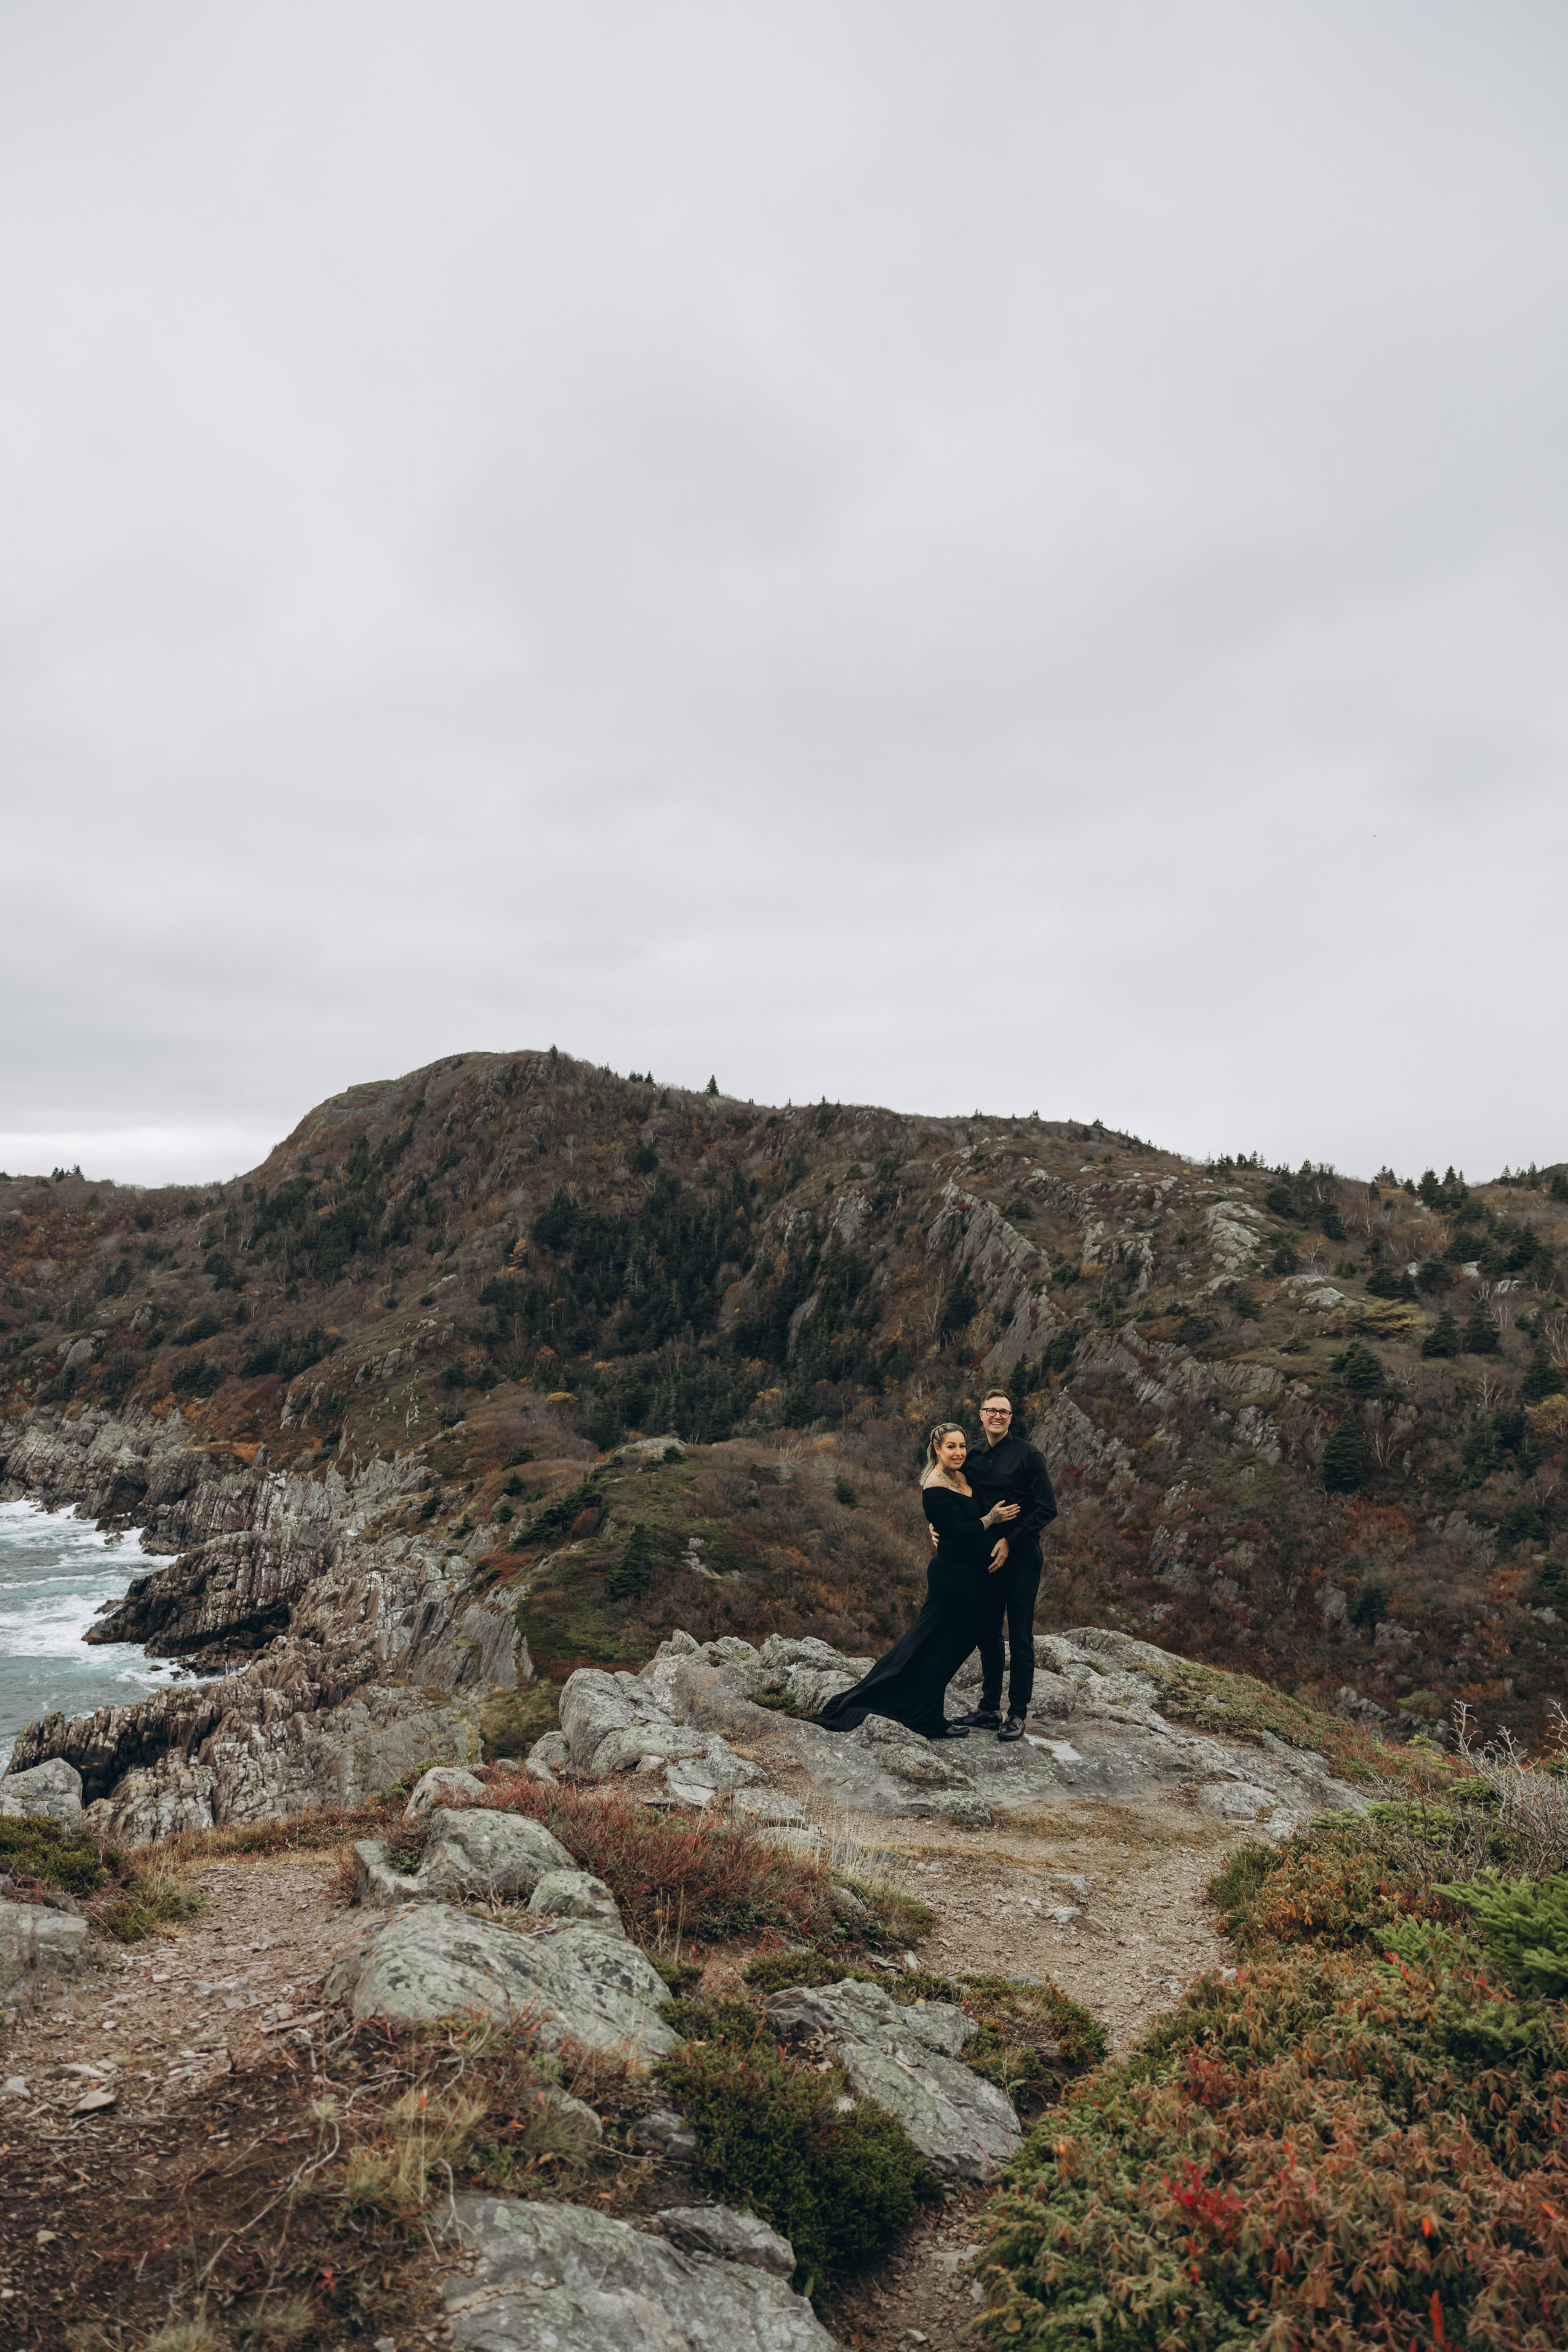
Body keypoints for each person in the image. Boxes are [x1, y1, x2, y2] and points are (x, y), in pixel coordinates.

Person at [813, 1424, 1020, 1740]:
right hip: (953, 1579)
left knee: (947, 1644)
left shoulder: (963, 1477)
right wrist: (992, 1518)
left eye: (962, 1445)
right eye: (951, 1446)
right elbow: (960, 1532)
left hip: (974, 1578)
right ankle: (928, 1718)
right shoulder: (934, 1486)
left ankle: (921, 1706)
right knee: (938, 1645)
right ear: (937, 1449)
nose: (959, 1452)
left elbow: (959, 1520)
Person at [948, 1387, 1058, 1742]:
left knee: (1020, 1635)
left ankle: (1017, 1713)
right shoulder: (972, 1456)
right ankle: (989, 1707)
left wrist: (1012, 1540)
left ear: (1011, 1418)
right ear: (981, 1415)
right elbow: (956, 1500)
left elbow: (1047, 1508)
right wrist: (939, 1527)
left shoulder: (1029, 1455)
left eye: (1004, 1412)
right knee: (988, 1632)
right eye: (991, 1411)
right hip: (985, 1558)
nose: (997, 1416)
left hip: (1022, 1556)